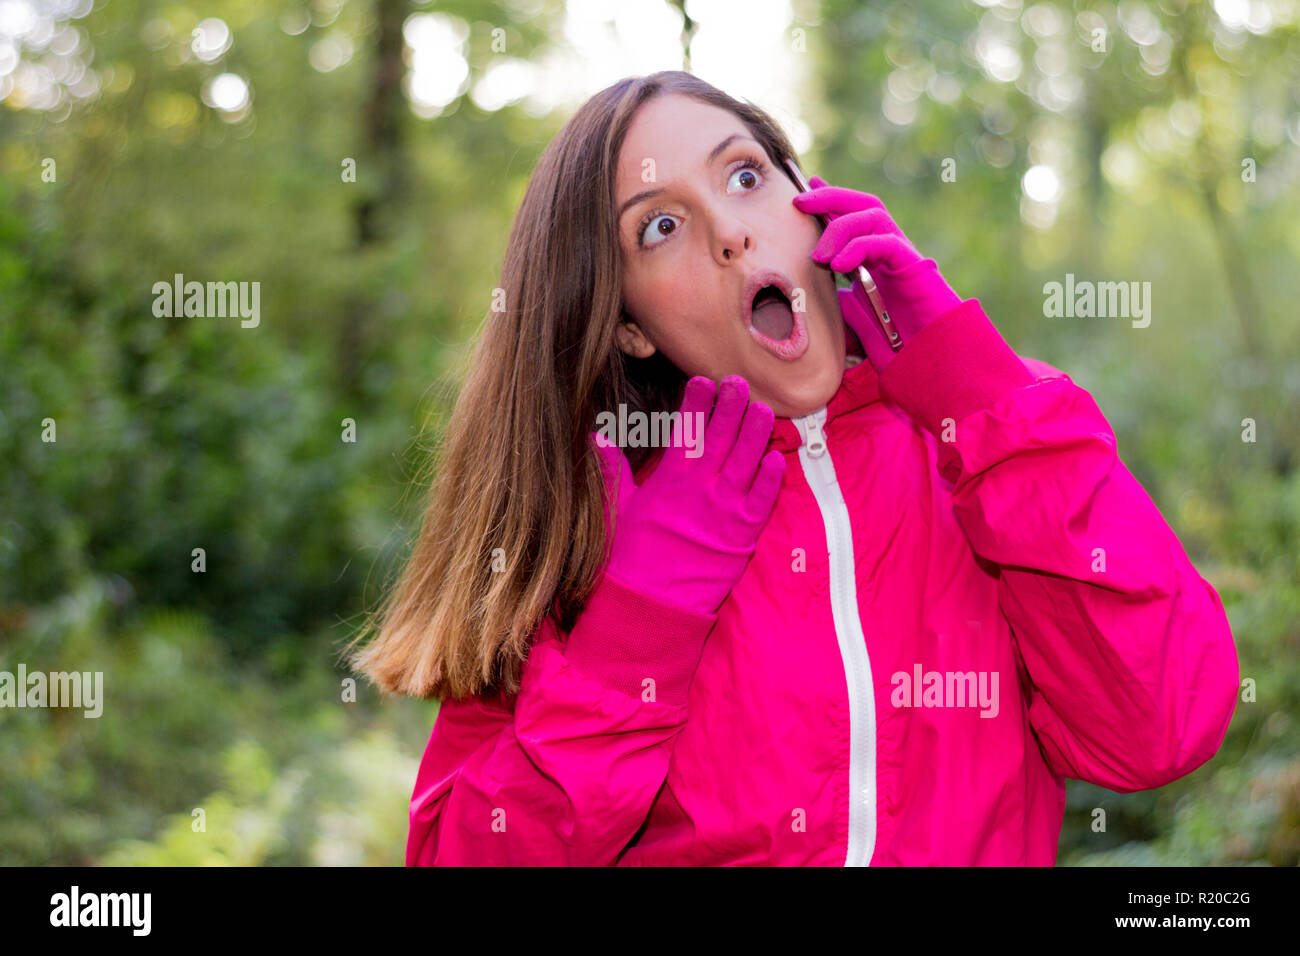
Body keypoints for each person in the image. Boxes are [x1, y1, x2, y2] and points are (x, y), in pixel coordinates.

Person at [349, 70, 1240, 865]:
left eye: (744, 177)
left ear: (810, 204)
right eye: (660, 227)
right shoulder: (587, 529)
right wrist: (636, 628)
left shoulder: (993, 443)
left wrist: (982, 399)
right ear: (628, 323)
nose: (732, 233)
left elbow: (1160, 727)